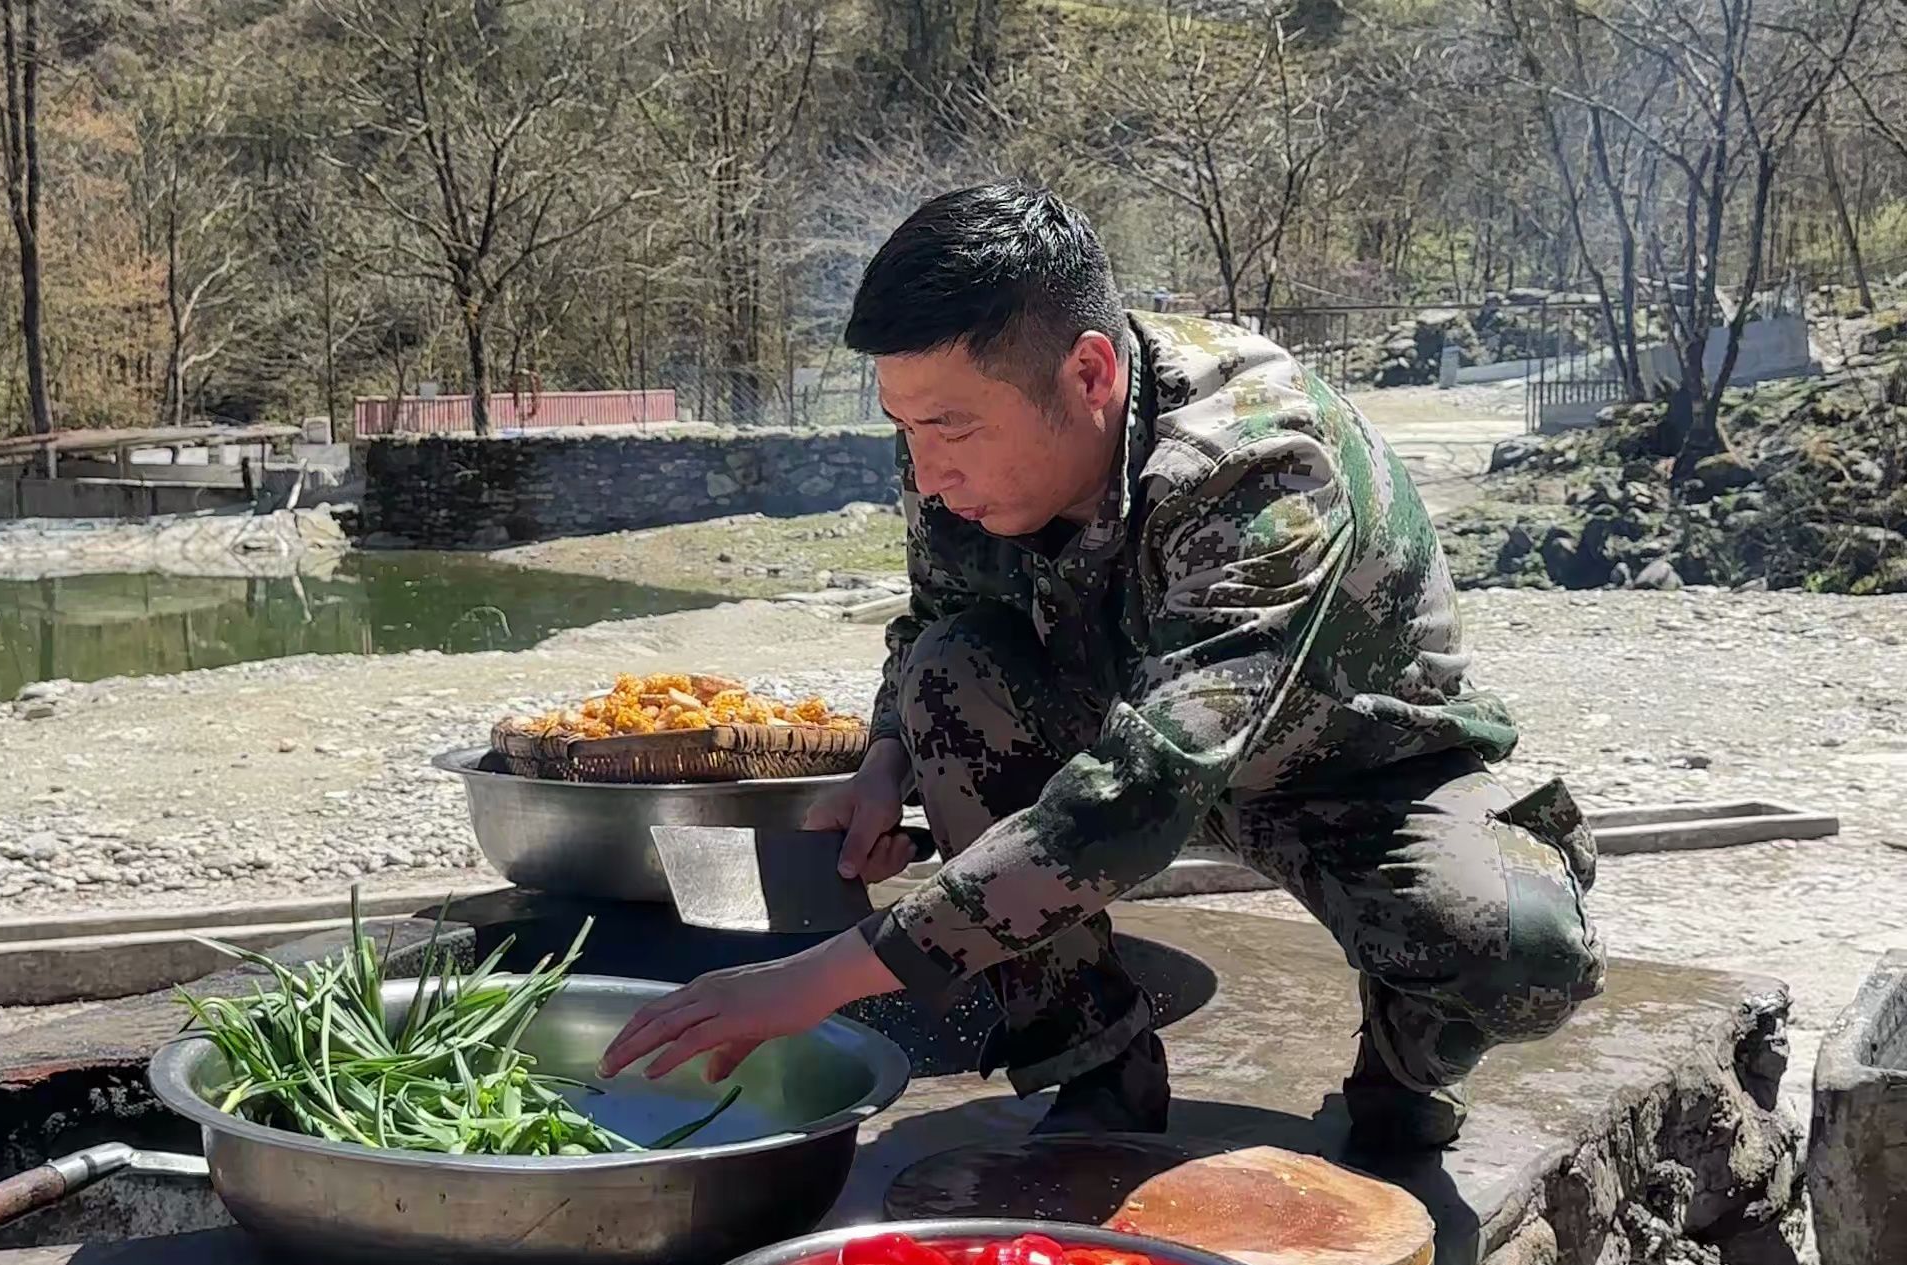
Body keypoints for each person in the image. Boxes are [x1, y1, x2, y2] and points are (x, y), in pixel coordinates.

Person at [600, 181, 1605, 1151]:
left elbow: (1142, 795)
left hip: (1347, 770)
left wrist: (824, 976)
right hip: (1125, 714)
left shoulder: (1253, 468)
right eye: (906, 430)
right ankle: (1094, 1066)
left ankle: (1411, 1048)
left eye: (951, 430)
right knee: (952, 679)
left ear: (1089, 375)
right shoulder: (964, 451)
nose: (928, 473)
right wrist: (885, 763)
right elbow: (945, 619)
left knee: (1510, 950)